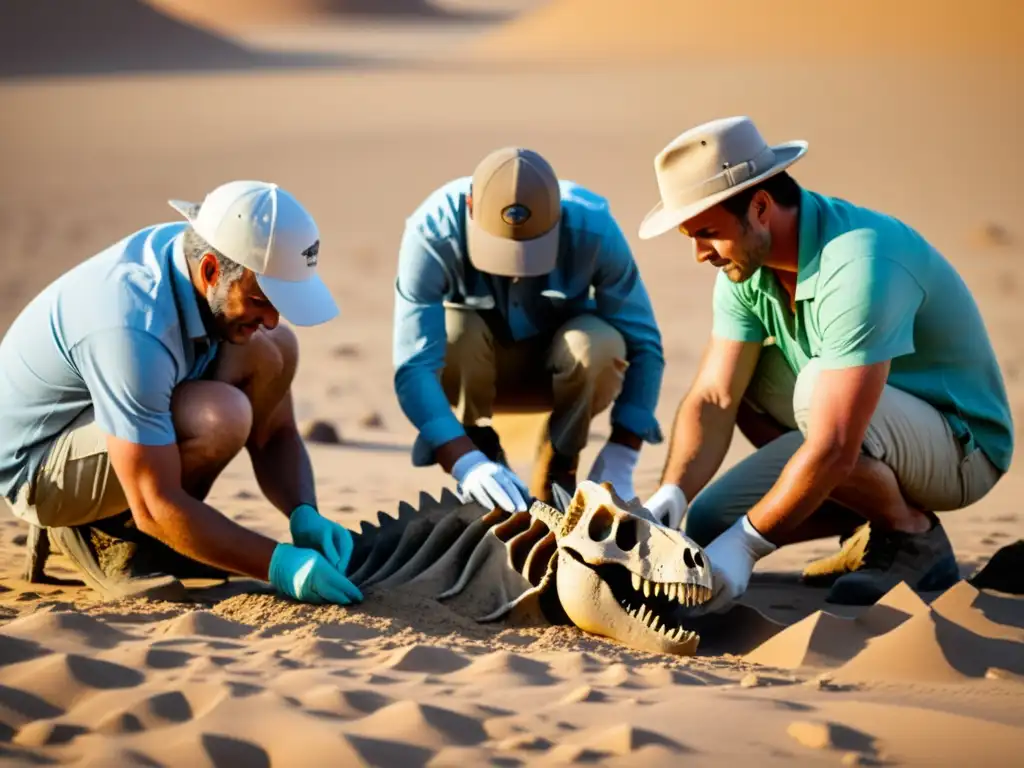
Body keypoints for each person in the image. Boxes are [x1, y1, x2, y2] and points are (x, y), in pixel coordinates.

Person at [637, 116, 1013, 608]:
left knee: (816, 393)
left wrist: (748, 545)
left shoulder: (859, 264)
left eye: (707, 232)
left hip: (961, 449)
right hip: (861, 424)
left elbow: (836, 444)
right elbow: (715, 395)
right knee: (710, 522)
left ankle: (911, 533)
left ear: (761, 205)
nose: (699, 253)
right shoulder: (745, 267)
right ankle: (869, 516)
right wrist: (673, 494)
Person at [0, 180, 364, 607]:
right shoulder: (132, 324)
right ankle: (105, 533)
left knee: (274, 348)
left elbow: (275, 433)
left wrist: (305, 513)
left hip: (107, 423)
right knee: (218, 418)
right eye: (261, 299)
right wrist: (278, 564)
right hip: (39, 468)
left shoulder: (198, 261)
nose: (271, 317)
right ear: (211, 271)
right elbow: (156, 503)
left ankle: (168, 535)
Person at [392, 147, 665, 511]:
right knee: (454, 330)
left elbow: (645, 345)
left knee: (599, 345)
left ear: (559, 217)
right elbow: (414, 366)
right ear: (470, 206)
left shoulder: (594, 228)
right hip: (474, 372)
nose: (516, 269)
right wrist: (464, 460)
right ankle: (480, 446)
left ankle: (560, 462)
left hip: (559, 372)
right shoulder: (432, 231)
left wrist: (623, 452)